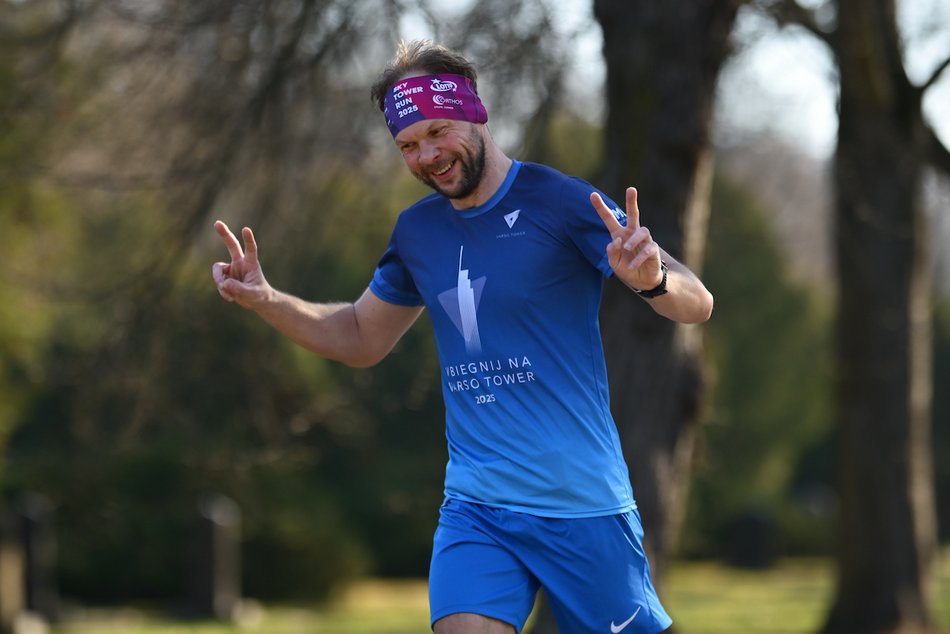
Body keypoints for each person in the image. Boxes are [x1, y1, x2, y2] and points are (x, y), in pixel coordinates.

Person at [212, 40, 713, 634]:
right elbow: (360, 337)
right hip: (477, 507)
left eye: (437, 132)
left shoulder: (558, 200)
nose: (427, 155)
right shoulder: (417, 232)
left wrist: (653, 279)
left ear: (474, 111)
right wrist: (267, 300)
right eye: (407, 145)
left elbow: (697, 302)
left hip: (581, 503)